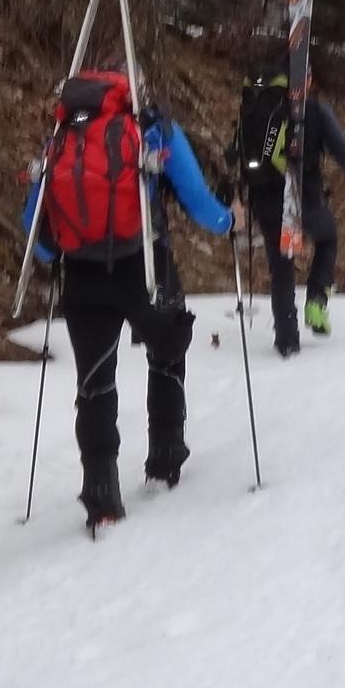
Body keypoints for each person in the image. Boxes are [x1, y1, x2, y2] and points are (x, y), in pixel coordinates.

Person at [23, 67, 234, 530]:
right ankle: (165, 460)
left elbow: (36, 233)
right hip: (146, 269)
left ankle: (102, 499)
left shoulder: (62, 136)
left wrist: (69, 245)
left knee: (94, 385)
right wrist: (229, 222)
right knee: (168, 351)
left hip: (82, 280)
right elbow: (200, 204)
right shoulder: (153, 130)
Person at [229, 38, 345, 357]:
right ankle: (316, 302)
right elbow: (344, 152)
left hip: (264, 197)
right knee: (328, 239)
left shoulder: (261, 104)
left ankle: (287, 340)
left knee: (282, 267)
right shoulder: (314, 110)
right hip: (303, 198)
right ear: (307, 79)